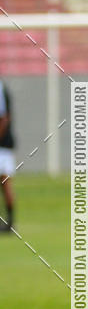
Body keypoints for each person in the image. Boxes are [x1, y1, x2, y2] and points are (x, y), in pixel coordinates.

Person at [0, 78, 16, 232]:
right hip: (6, 143)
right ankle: (10, 223)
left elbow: (4, 118)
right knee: (5, 183)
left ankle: (10, 223)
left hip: (2, 144)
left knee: (5, 182)